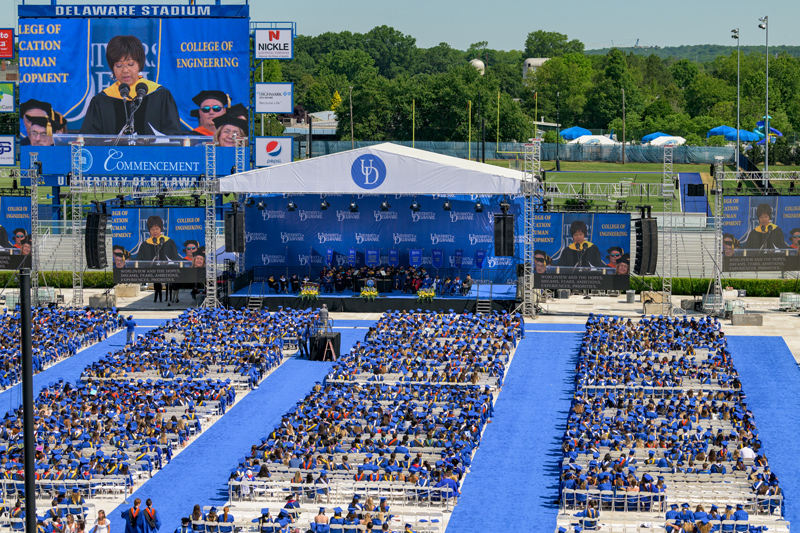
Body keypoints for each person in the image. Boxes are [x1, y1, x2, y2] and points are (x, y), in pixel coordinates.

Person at [80, 35, 181, 136]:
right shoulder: (102, 100)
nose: (125, 70)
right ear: (112, 68)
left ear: (139, 64)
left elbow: (173, 137)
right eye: (119, 65)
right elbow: (89, 140)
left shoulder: (160, 95)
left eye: (131, 64)